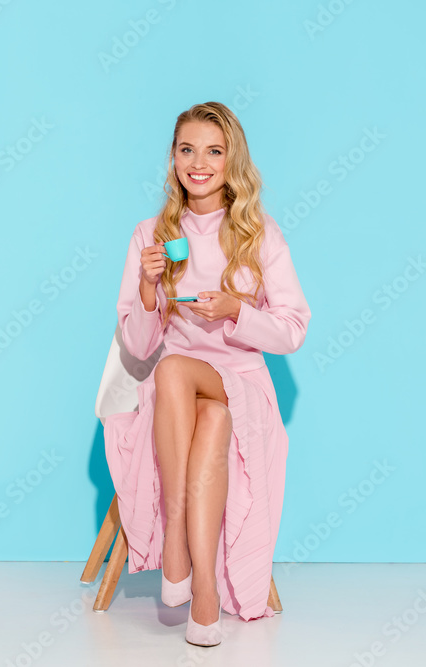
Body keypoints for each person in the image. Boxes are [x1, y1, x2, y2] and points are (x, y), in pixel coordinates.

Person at [104, 102, 309, 646]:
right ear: (173, 158)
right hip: (179, 396)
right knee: (200, 405)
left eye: (213, 151)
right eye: (187, 149)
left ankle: (174, 545)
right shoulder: (150, 235)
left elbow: (293, 330)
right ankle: (205, 600)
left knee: (178, 371)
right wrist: (149, 291)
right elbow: (138, 347)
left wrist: (236, 312)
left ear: (231, 160)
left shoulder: (259, 233)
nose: (199, 162)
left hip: (240, 379)